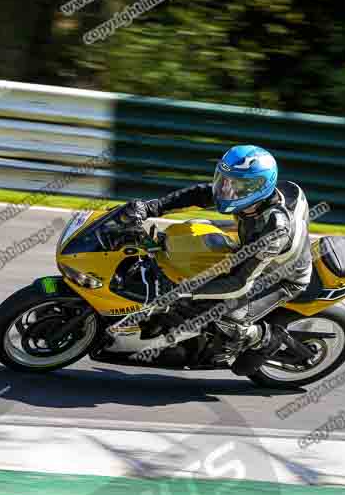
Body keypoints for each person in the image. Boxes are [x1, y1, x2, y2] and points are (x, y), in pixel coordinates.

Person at [120, 145, 313, 375]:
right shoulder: (254, 198)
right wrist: (152, 207)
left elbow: (240, 283)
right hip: (253, 252)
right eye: (224, 180)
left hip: (281, 277)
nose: (225, 189)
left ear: (259, 187)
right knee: (185, 239)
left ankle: (264, 337)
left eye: (235, 185)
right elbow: (200, 194)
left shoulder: (273, 229)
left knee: (224, 316)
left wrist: (183, 290)